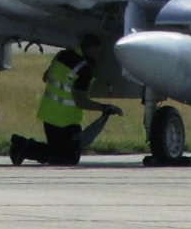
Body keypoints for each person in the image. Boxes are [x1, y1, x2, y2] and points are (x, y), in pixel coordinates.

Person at [10, 34, 122, 165]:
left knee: (58, 154)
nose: (99, 54)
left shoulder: (61, 56)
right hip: (66, 121)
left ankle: (22, 146)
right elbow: (81, 101)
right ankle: (23, 146)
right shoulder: (84, 70)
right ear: (92, 49)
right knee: (67, 158)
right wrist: (104, 107)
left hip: (48, 116)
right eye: (98, 50)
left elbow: (46, 77)